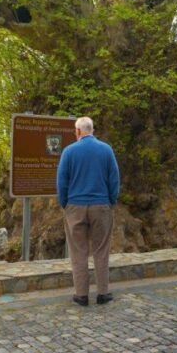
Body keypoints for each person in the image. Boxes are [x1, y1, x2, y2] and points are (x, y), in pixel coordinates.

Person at [57, 117, 120, 306]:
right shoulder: (106, 150)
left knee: (78, 251)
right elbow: (114, 179)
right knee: (101, 251)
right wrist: (111, 201)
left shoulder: (69, 152)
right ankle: (103, 293)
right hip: (101, 205)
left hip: (75, 206)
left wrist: (65, 204)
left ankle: (81, 295)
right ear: (92, 130)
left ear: (77, 132)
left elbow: (62, 181)